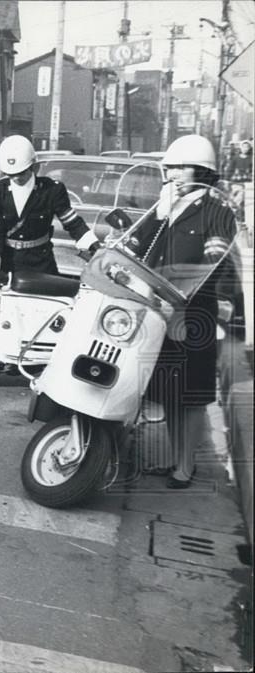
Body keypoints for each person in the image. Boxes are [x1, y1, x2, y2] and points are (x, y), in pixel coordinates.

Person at [130, 134, 238, 489]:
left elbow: (213, 264)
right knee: (168, 392)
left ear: (203, 171)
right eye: (170, 167)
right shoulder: (164, 208)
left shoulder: (217, 212)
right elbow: (136, 250)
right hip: (160, 313)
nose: (173, 173)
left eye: (182, 167)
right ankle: (176, 459)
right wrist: (159, 214)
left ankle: (185, 466)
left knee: (189, 397)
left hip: (194, 317)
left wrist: (179, 294)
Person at [0, 135, 100, 274]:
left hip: (41, 262)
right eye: (11, 174)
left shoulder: (52, 190)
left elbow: (72, 222)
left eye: (21, 173)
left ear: (35, 167)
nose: (16, 178)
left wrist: (95, 247)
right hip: (6, 261)